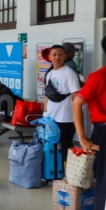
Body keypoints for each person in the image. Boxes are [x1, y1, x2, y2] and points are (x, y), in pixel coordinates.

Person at [72, 36, 106, 210]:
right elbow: (77, 103)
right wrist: (83, 138)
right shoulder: (99, 77)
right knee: (104, 180)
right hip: (103, 133)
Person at [44, 45, 80, 163]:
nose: (57, 57)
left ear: (64, 56)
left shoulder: (69, 73)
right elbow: (47, 94)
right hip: (51, 117)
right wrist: (45, 112)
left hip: (66, 117)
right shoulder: (50, 74)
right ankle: (55, 171)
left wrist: (76, 116)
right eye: (54, 54)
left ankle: (66, 173)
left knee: (65, 146)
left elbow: (76, 95)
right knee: (52, 146)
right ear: (50, 57)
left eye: (60, 54)